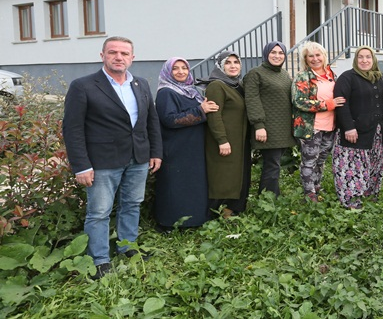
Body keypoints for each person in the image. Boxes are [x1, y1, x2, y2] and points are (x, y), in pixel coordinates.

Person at [62, 36, 162, 280]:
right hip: (102, 161)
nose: (119, 57)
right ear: (102, 55)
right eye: (113, 52)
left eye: (124, 53)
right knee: (99, 212)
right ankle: (99, 260)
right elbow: (72, 128)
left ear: (132, 58)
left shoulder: (140, 84)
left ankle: (128, 247)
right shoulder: (83, 86)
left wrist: (155, 151)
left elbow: (151, 120)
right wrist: (81, 165)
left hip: (138, 157)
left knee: (132, 204)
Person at [153, 57, 219, 232]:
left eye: (184, 68)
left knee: (194, 184)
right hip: (176, 148)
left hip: (193, 147)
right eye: (176, 68)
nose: (181, 71)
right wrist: (200, 111)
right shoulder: (166, 92)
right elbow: (169, 119)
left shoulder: (191, 91)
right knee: (175, 185)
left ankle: (195, 219)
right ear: (168, 72)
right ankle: (171, 222)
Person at [331, 46, 383, 209]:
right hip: (355, 131)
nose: (364, 60)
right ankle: (351, 200)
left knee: (375, 164)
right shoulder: (347, 78)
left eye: (368, 57)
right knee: (352, 166)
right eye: (361, 57)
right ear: (356, 60)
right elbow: (341, 104)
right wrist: (348, 127)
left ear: (373, 60)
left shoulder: (381, 77)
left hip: (378, 132)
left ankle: (369, 196)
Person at [292, 42, 346, 202]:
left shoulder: (332, 75)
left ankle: (316, 187)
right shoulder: (303, 77)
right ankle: (309, 194)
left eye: (318, 55)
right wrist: (328, 104)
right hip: (311, 127)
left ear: (324, 56)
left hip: (330, 126)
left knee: (321, 160)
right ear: (306, 59)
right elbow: (299, 101)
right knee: (309, 161)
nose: (315, 59)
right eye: (311, 56)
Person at [244, 41, 294, 197]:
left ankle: (272, 196)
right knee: (272, 166)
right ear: (266, 54)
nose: (277, 56)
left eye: (280, 53)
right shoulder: (255, 73)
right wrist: (259, 125)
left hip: (283, 129)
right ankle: (267, 200)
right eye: (273, 52)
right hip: (267, 129)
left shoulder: (284, 74)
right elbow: (252, 99)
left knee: (274, 166)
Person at [204, 51, 250, 218]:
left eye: (236, 62)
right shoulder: (216, 85)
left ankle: (231, 210)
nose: (233, 66)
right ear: (220, 66)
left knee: (236, 175)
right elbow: (214, 115)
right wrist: (222, 140)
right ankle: (216, 213)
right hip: (224, 141)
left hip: (239, 140)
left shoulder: (237, 85)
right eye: (228, 63)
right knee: (222, 176)